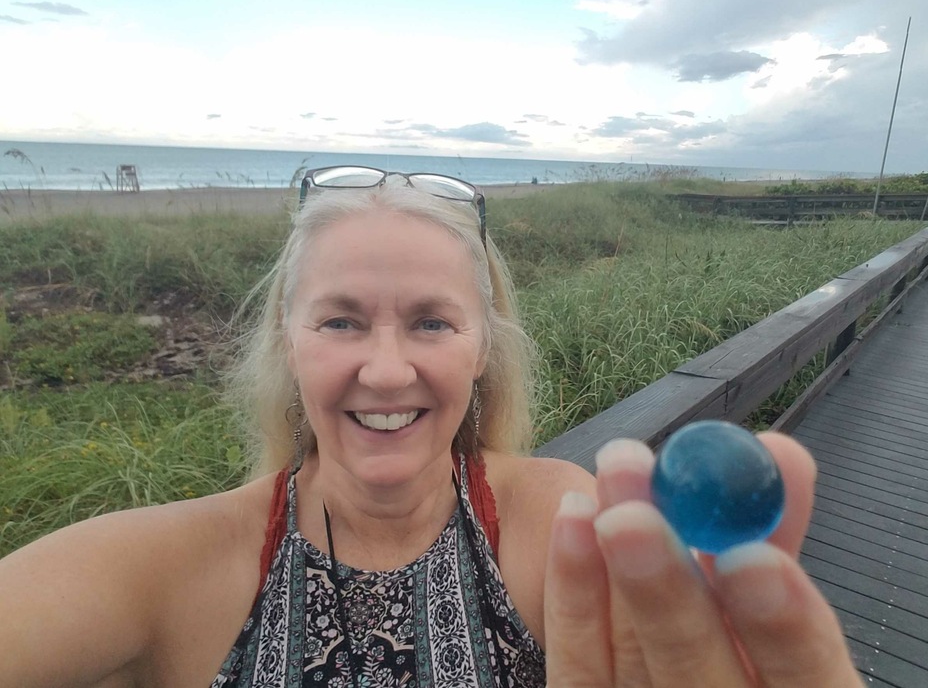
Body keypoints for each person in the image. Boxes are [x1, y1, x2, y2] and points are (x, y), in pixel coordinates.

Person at [0, 166, 862, 687]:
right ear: (287, 344)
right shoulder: (170, 568)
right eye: (340, 322)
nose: (384, 369)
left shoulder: (558, 525)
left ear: (483, 346)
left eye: (430, 322)